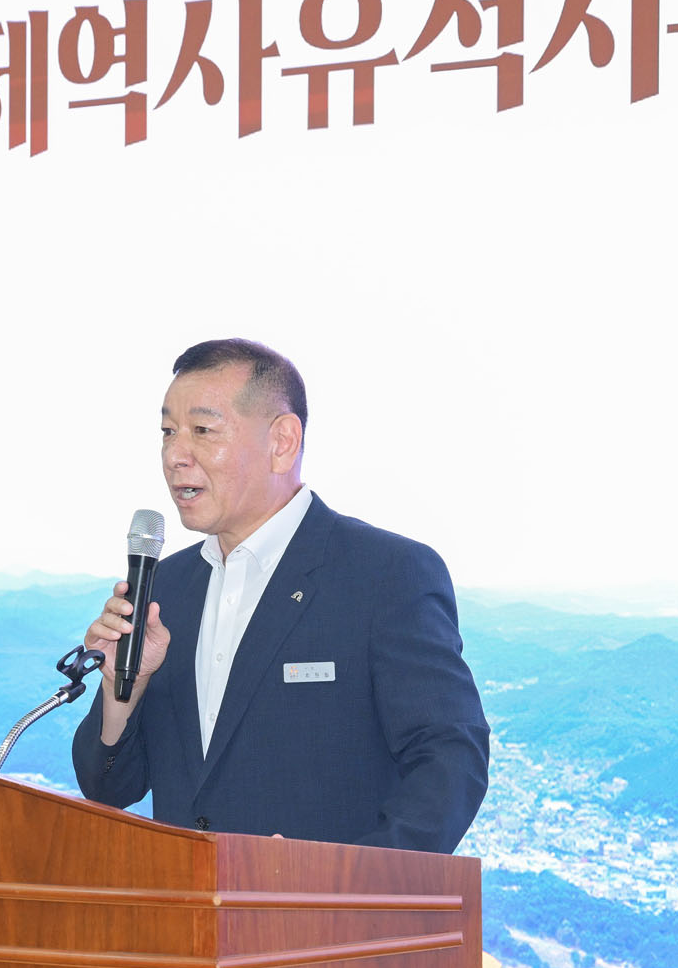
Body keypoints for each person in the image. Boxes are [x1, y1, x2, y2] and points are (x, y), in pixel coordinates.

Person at [71, 339, 489, 854]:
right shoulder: (165, 589)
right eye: (167, 432)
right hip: (186, 901)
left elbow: (450, 761)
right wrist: (124, 691)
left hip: (328, 906)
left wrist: (343, 883)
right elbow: (109, 787)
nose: (175, 456)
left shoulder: (385, 573)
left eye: (203, 430)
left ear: (282, 442)